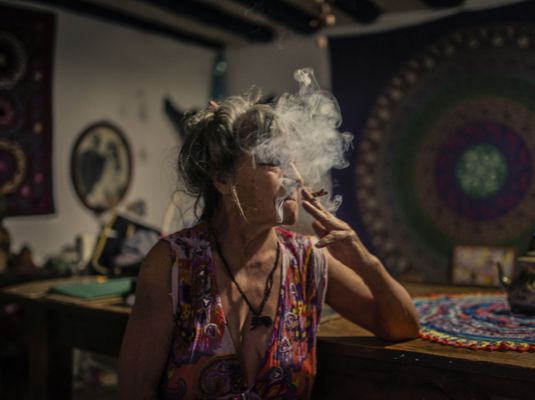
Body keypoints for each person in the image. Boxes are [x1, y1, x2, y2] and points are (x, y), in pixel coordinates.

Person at [118, 93, 420, 399]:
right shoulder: (172, 263)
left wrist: (366, 262)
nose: (296, 178)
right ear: (223, 179)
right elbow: (135, 389)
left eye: (295, 163)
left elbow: (402, 327)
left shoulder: (307, 258)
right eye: (274, 161)